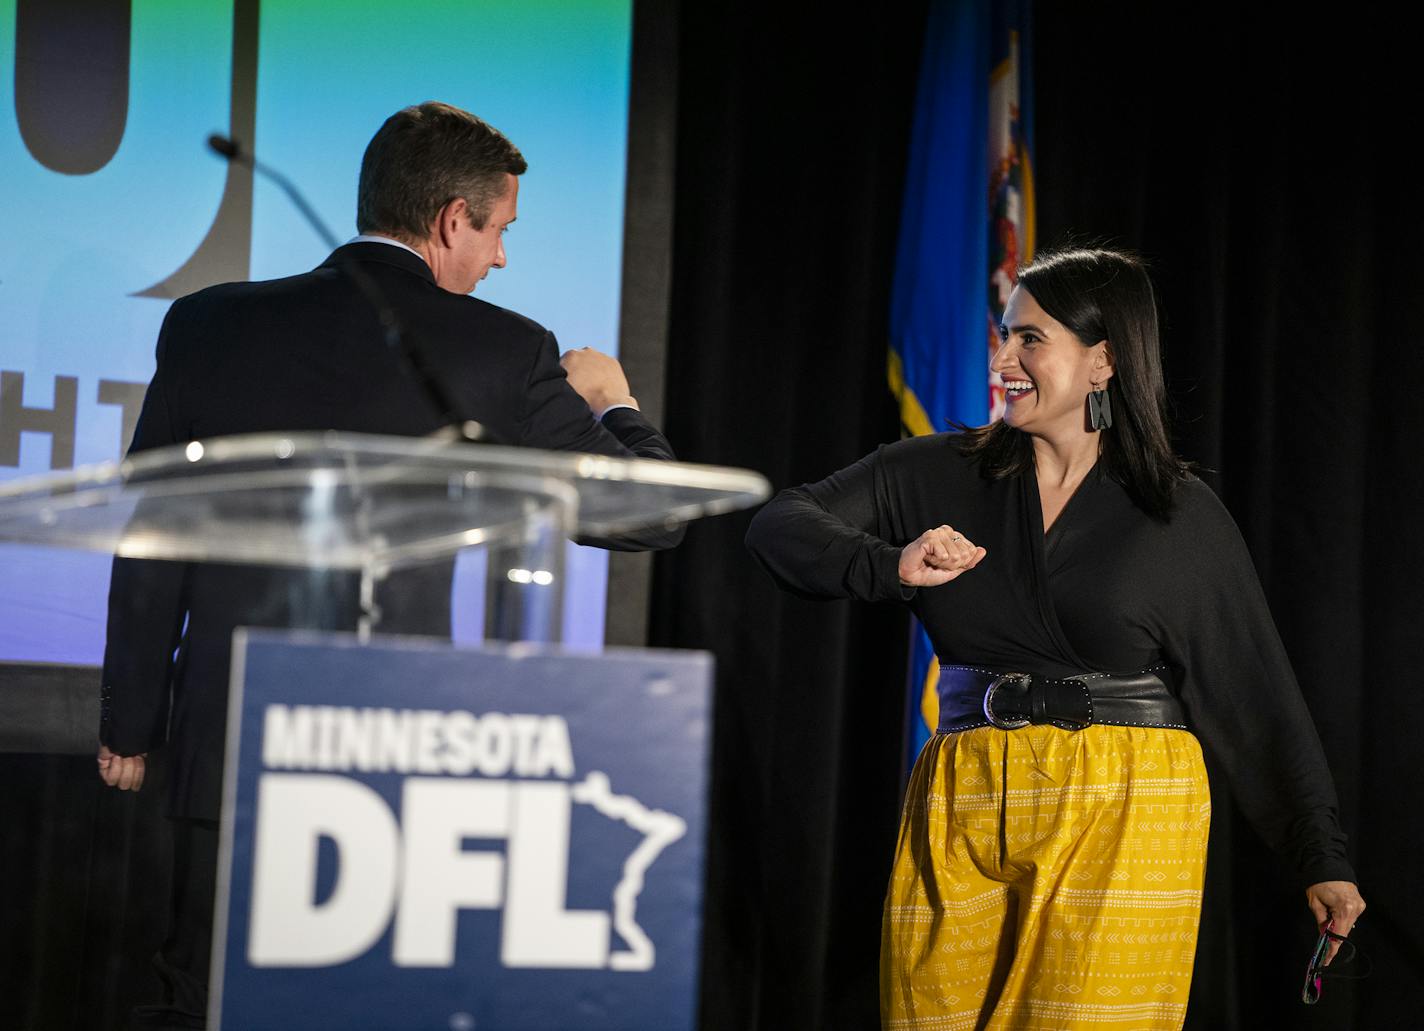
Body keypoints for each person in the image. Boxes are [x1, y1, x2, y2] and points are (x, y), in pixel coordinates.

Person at [96, 101, 678, 1029]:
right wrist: (614, 402)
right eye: (500, 233)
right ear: (454, 219)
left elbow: (155, 530)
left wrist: (131, 718)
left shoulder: (204, 324)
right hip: (394, 765)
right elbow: (653, 516)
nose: (500, 260)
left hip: (226, 742)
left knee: (204, 1002)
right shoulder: (505, 349)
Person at [745, 248, 1365, 1030]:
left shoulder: (1175, 513)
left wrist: (1322, 856)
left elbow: (1254, 691)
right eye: (1004, 335)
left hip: (1123, 805)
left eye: (1029, 338)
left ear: (1102, 360)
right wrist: (889, 562)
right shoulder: (937, 473)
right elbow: (778, 526)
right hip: (961, 798)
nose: (1002, 357)